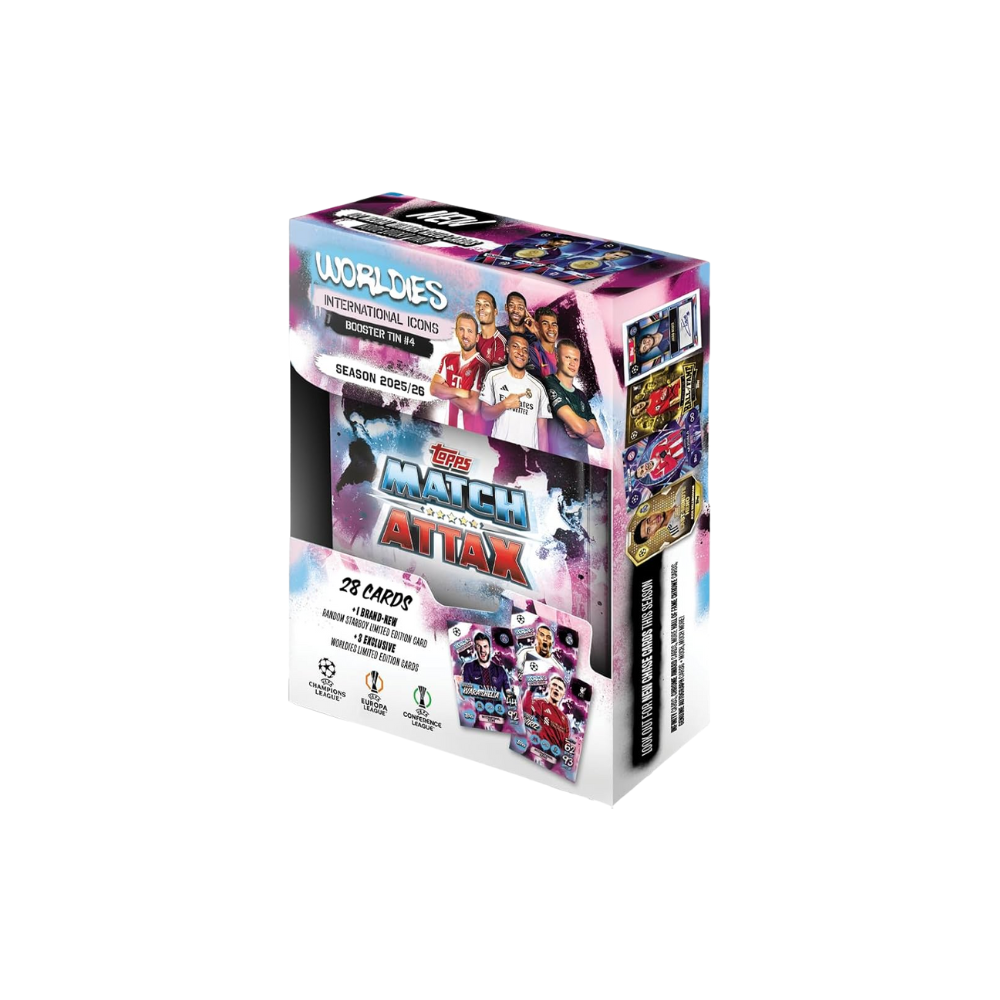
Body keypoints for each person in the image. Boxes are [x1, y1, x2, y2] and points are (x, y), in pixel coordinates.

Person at [478, 333, 550, 450]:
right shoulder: (493, 376)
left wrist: (544, 458)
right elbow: (485, 414)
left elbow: (542, 432)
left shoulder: (538, 387)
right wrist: (504, 404)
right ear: (507, 349)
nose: (521, 353)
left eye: (525, 350)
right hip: (501, 451)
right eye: (515, 346)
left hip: (529, 454)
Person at [544, 339, 605, 460]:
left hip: (582, 466)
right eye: (567, 357)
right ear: (557, 357)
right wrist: (586, 428)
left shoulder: (580, 395)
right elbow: (580, 428)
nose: (572, 363)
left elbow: (600, 442)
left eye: (576, 359)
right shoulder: (549, 383)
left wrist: (582, 429)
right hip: (558, 462)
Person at [429, 313, 486, 433]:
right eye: (461, 329)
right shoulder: (448, 359)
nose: (465, 335)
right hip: (448, 431)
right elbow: (433, 389)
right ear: (456, 332)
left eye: (470, 331)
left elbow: (472, 406)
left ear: (477, 337)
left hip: (470, 434)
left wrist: (445, 390)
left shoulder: (482, 366)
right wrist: (459, 391)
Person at [522, 675, 570, 750]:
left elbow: (565, 743)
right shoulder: (539, 703)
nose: (557, 688)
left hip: (555, 754)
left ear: (563, 695)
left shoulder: (565, 719)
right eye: (554, 685)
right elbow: (525, 712)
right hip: (538, 749)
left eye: (560, 688)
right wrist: (530, 691)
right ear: (548, 687)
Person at [462, 632, 512, 696]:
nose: (482, 650)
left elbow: (508, 692)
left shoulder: (500, 671)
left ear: (489, 649)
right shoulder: (468, 667)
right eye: (479, 646)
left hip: (498, 702)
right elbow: (465, 693)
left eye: (485, 646)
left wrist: (511, 698)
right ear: (475, 648)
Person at [473, 290, 507, 367]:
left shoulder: (501, 343)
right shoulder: (473, 339)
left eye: (486, 305)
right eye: (478, 304)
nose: (481, 308)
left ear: (495, 312)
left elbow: (494, 374)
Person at [526, 307, 560, 379]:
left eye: (554, 324)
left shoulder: (560, 353)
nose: (551, 328)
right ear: (537, 325)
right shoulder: (531, 351)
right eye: (545, 324)